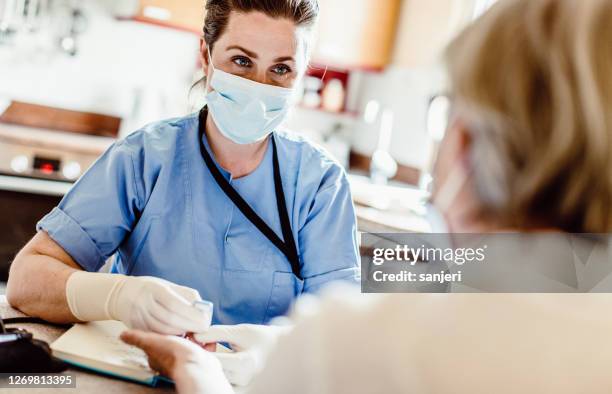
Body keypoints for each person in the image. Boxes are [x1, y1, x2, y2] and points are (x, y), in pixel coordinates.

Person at [120, 0, 612, 392]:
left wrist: (199, 373)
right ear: (206, 58)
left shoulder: (362, 343)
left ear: (462, 140)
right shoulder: (148, 153)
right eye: (242, 62)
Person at [6, 0, 359, 334]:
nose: (259, 86)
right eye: (241, 61)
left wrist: (273, 347)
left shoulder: (320, 186)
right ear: (206, 56)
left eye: (281, 69)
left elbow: (340, 330)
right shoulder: (144, 159)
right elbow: (26, 279)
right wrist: (117, 296)